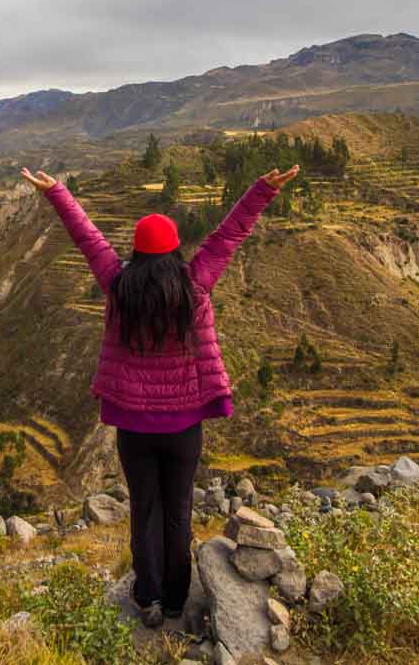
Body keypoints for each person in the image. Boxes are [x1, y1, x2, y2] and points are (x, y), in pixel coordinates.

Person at [21, 160, 298, 628]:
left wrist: (57, 192)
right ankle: (174, 600)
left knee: (143, 510)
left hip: (134, 427)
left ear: (135, 251)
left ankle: (146, 597)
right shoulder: (195, 285)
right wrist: (261, 190)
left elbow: (87, 238)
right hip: (184, 427)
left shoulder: (118, 286)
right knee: (179, 511)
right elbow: (229, 236)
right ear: (174, 251)